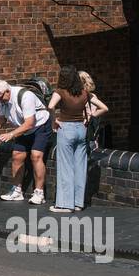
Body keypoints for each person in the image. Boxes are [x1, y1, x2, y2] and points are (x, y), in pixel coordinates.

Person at [0, 79, 52, 205]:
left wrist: (11, 134)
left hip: (40, 126)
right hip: (24, 128)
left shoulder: (25, 96)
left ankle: (39, 193)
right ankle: (17, 191)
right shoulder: (2, 100)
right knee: (17, 155)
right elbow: (0, 121)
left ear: (7, 91)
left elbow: (30, 123)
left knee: (36, 155)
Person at [47, 66, 93, 213]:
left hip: (66, 129)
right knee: (80, 166)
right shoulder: (84, 93)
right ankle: (78, 203)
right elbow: (102, 107)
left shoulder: (60, 92)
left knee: (65, 167)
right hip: (81, 129)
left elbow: (50, 106)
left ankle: (66, 205)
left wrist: (54, 120)